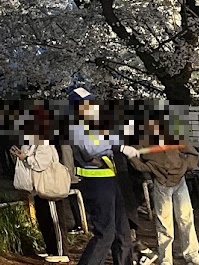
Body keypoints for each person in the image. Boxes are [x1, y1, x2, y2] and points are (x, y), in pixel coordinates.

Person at [123, 118, 199, 265]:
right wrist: (152, 169)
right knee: (164, 223)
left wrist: (185, 166)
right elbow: (137, 164)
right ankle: (166, 259)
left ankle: (192, 255)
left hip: (179, 181)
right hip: (161, 184)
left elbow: (192, 153)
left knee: (186, 218)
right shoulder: (140, 141)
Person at [70, 87, 134, 265]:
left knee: (123, 232)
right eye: (88, 103)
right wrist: (118, 148)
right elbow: (91, 149)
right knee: (106, 233)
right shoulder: (76, 126)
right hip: (95, 183)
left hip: (110, 180)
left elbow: (113, 139)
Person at [10, 107, 71, 263]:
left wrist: (25, 158)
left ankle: (61, 251)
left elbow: (40, 164)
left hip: (49, 186)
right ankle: (50, 249)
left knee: (54, 219)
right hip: (39, 187)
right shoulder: (32, 143)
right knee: (44, 219)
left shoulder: (43, 142)